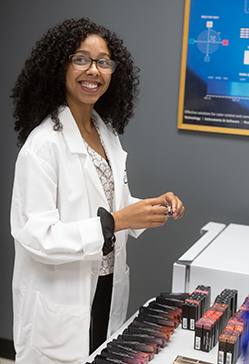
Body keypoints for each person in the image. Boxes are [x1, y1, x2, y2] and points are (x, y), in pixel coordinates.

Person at [10, 18, 185, 364]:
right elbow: (37, 235)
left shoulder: (105, 133)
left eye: (103, 62)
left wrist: (149, 207)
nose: (94, 70)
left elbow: (111, 203)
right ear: (59, 66)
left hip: (105, 285)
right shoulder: (43, 145)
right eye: (81, 59)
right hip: (61, 299)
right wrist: (115, 222)